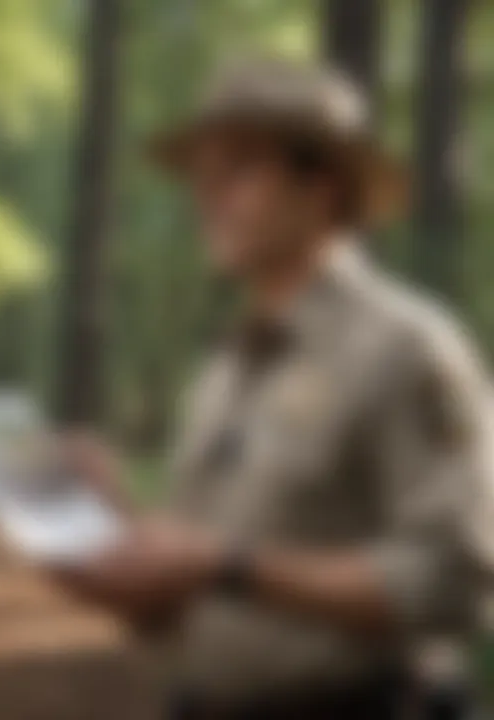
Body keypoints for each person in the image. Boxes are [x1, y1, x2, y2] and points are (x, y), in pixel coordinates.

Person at [54, 57, 494, 720]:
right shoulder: (225, 369)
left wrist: (228, 566)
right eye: (201, 174)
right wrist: (117, 537)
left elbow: (454, 581)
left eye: (238, 170)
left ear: (321, 187)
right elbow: (190, 593)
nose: (207, 195)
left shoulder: (405, 348)